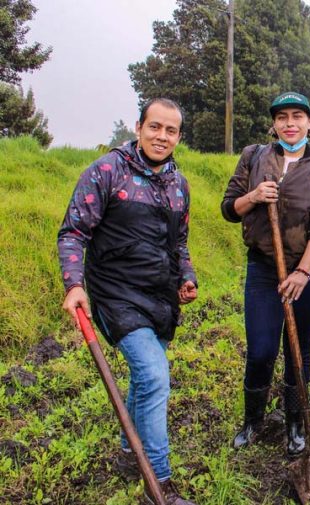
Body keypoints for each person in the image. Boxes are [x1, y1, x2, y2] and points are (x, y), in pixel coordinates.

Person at [58, 98, 198, 505]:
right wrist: (74, 284)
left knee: (143, 379)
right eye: (155, 127)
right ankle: (161, 485)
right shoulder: (106, 171)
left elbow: (180, 242)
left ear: (178, 137)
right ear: (139, 127)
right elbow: (73, 232)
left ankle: (126, 453)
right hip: (114, 294)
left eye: (171, 131)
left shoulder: (179, 184)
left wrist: (185, 277)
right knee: (155, 376)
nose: (162, 136)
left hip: (159, 296)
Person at [221, 91, 310, 456]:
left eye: (297, 116)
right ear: (274, 124)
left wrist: (303, 272)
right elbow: (229, 208)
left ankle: (294, 423)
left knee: (296, 347)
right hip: (262, 268)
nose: (290, 123)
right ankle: (253, 420)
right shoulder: (253, 157)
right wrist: (255, 196)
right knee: (260, 350)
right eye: (282, 117)